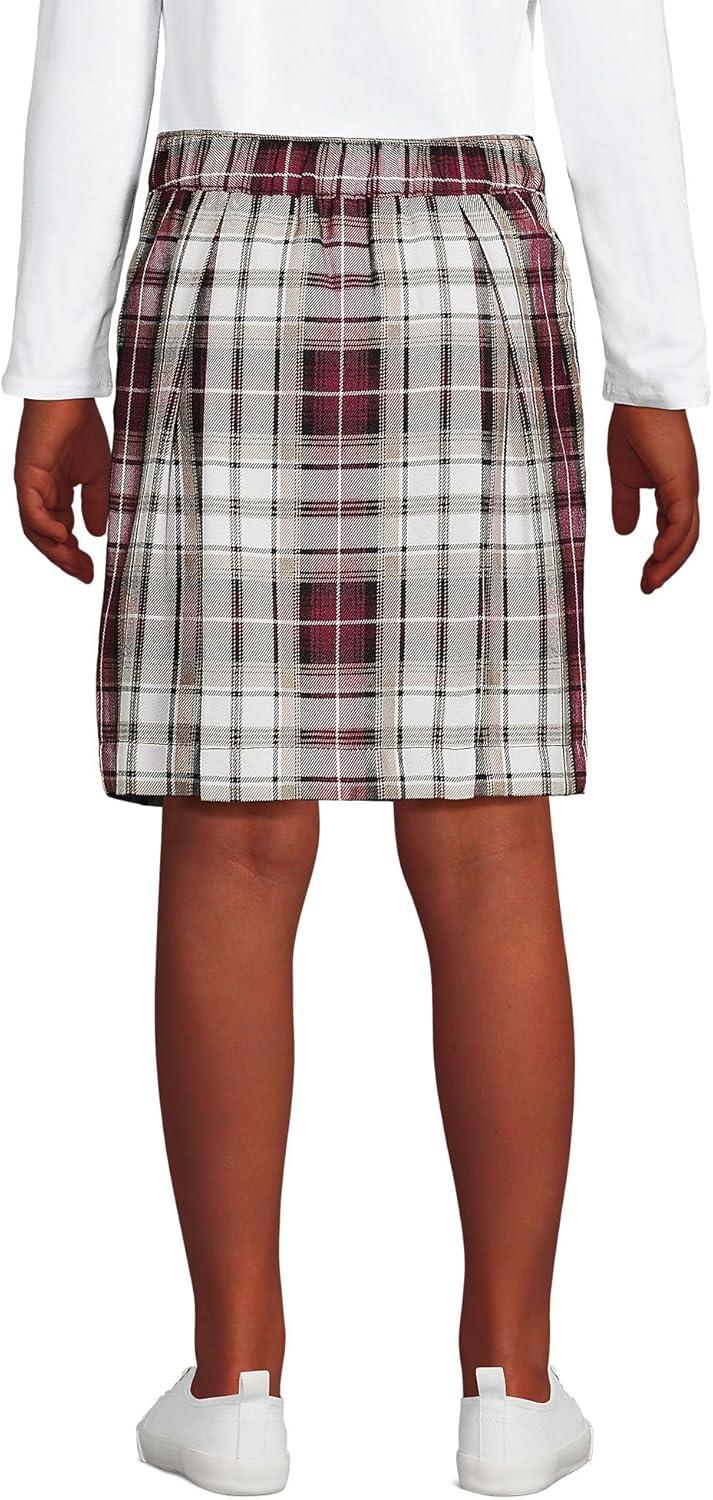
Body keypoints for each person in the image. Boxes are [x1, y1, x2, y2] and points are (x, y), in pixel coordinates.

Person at [3, 2, 707, 1496]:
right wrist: (652, 372)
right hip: (467, 251)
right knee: (489, 846)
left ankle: (233, 1384)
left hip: (225, 250)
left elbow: (94, 45)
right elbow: (611, 47)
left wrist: (54, 360)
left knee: (234, 840)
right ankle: (511, 1388)